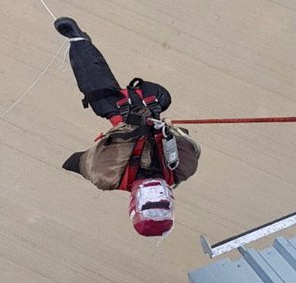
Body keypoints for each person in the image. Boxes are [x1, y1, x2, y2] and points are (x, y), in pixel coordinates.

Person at [54, 18, 200, 237]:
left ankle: (79, 42)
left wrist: (131, 126)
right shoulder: (182, 166)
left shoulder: (107, 174)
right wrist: (169, 129)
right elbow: (187, 142)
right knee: (158, 97)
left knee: (100, 95)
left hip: (122, 112)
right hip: (150, 102)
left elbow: (78, 162)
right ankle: (79, 42)